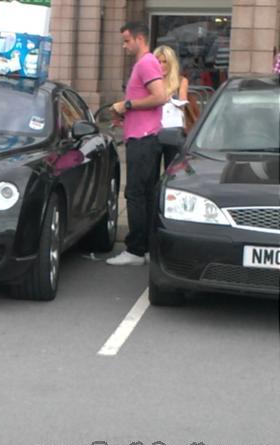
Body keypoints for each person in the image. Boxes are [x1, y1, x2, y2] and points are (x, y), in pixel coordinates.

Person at [106, 22, 167, 267]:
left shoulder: (146, 63)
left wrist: (127, 105)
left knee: (135, 194)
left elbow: (159, 96)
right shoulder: (145, 63)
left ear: (139, 39)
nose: (124, 46)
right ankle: (147, 247)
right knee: (146, 194)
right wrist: (124, 112)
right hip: (143, 136)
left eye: (127, 40)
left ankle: (135, 250)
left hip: (143, 139)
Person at [154, 45, 188, 169]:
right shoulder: (151, 81)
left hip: (173, 130)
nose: (161, 65)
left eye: (165, 62)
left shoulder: (181, 81)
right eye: (158, 62)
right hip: (153, 130)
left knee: (172, 168)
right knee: (151, 170)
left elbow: (183, 104)